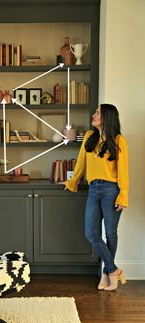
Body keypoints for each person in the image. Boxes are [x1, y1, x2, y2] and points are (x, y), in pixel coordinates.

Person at [61, 104, 129, 291]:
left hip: (111, 190)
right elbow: (81, 163)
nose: (94, 115)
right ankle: (113, 270)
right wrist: (72, 181)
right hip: (93, 189)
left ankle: (107, 275)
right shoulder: (90, 138)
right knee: (91, 233)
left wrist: (123, 194)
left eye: (98, 113)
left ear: (107, 116)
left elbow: (123, 169)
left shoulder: (118, 140)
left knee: (111, 234)